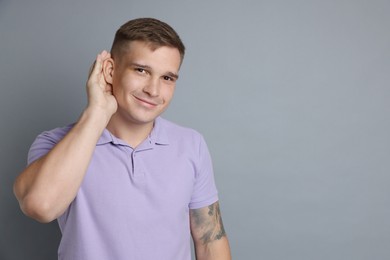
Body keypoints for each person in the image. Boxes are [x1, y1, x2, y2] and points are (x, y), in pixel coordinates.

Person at [13, 18, 231, 259]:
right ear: (109, 70)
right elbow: (40, 206)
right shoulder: (56, 143)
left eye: (167, 78)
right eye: (141, 70)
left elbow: (210, 241)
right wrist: (97, 112)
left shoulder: (191, 145)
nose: (154, 90)